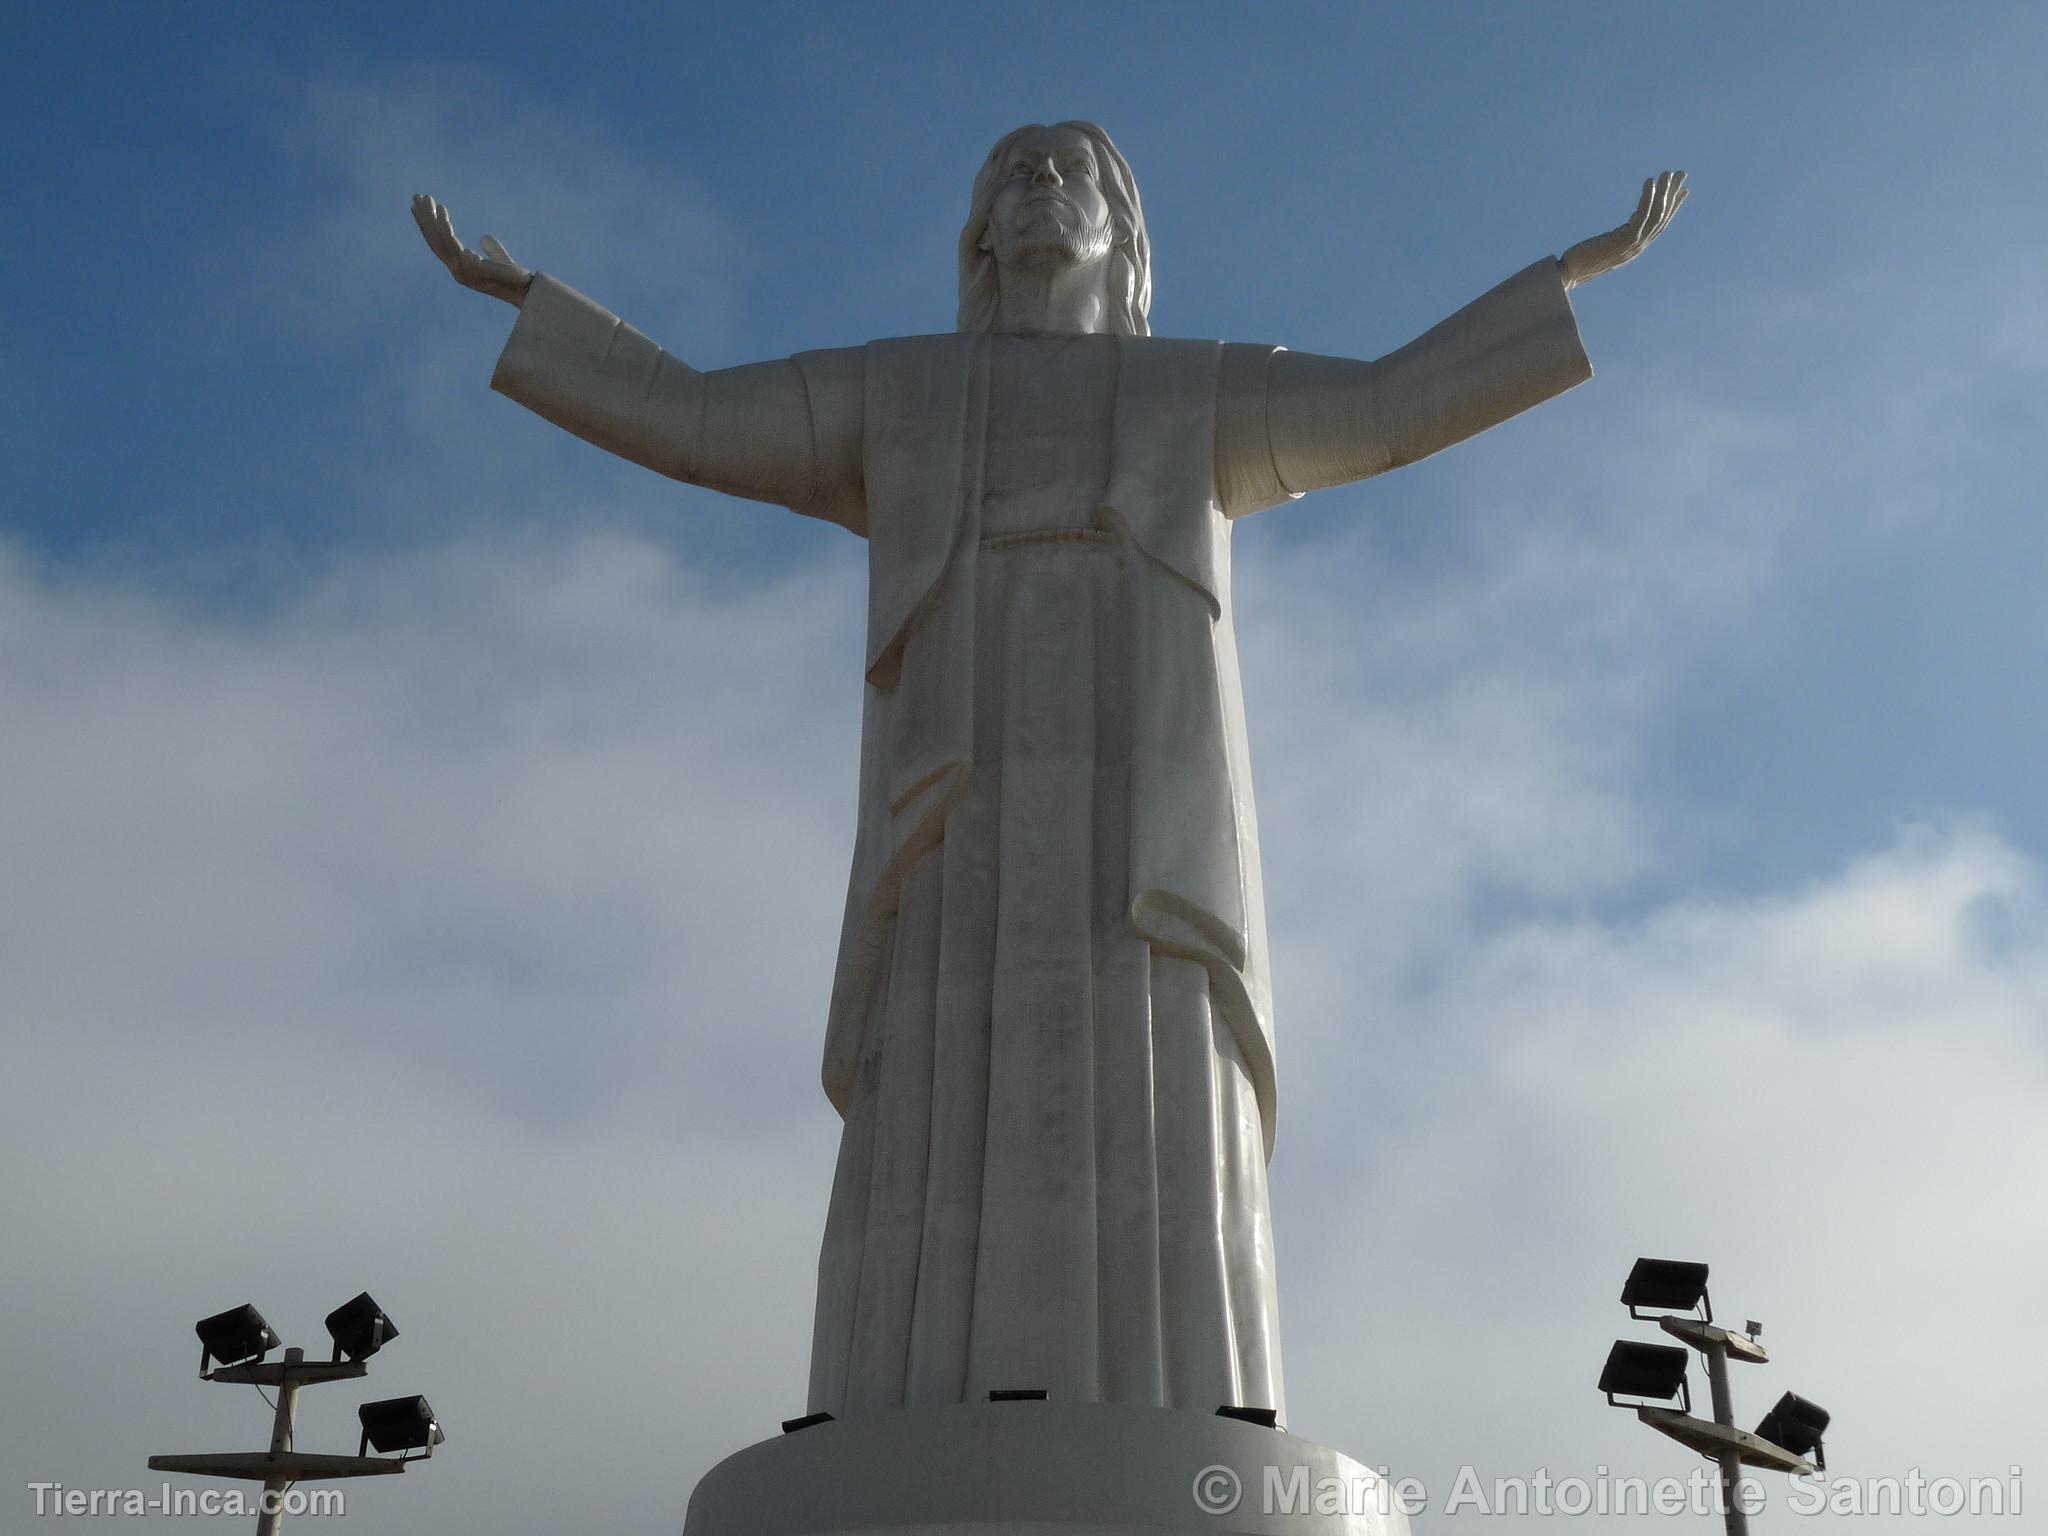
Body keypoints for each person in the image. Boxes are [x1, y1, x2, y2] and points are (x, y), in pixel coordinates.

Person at [414, 121, 1685, 1422]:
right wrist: (537, 307)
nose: (1037, 188)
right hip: (958, 776)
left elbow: (1383, 405)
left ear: (1126, 233)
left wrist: (1563, 281)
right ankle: (907, 1396)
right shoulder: (899, 392)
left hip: (1144, 774)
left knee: (1147, 1015)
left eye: (1071, 172)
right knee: (942, 1038)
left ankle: (1179, 1393)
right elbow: (691, 416)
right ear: (976, 235)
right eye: (1010, 174)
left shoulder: (1196, 391)